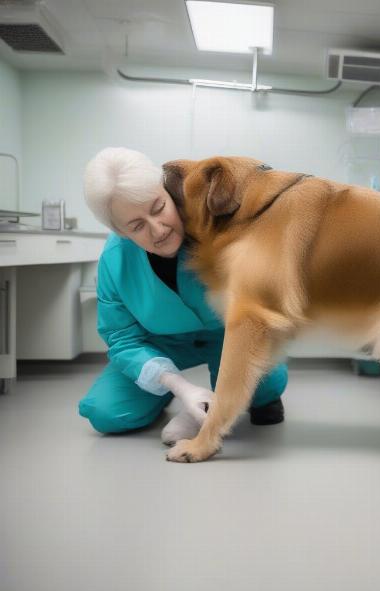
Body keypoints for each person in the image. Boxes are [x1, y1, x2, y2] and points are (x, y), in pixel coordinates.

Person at [78, 147, 287, 444]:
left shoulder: (218, 223)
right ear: (121, 232)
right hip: (161, 344)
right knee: (105, 413)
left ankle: (259, 398)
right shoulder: (114, 261)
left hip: (230, 334)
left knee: (262, 386)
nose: (158, 229)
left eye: (158, 207)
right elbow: (122, 338)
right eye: (136, 226)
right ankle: (164, 392)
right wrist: (177, 386)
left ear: (167, 191)